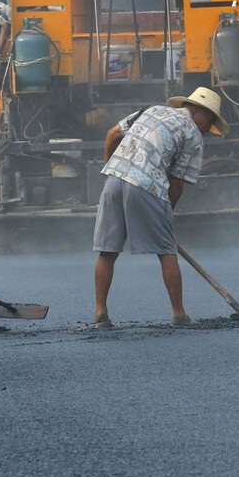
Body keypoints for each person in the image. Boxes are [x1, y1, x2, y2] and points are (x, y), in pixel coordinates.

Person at [91, 87, 227, 329]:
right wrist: (166, 216)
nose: (208, 128)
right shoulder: (193, 136)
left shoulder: (151, 110)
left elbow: (112, 134)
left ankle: (100, 313)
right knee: (166, 250)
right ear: (196, 111)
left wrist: (110, 171)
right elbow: (177, 182)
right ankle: (179, 314)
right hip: (145, 184)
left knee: (107, 251)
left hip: (113, 181)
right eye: (209, 121)